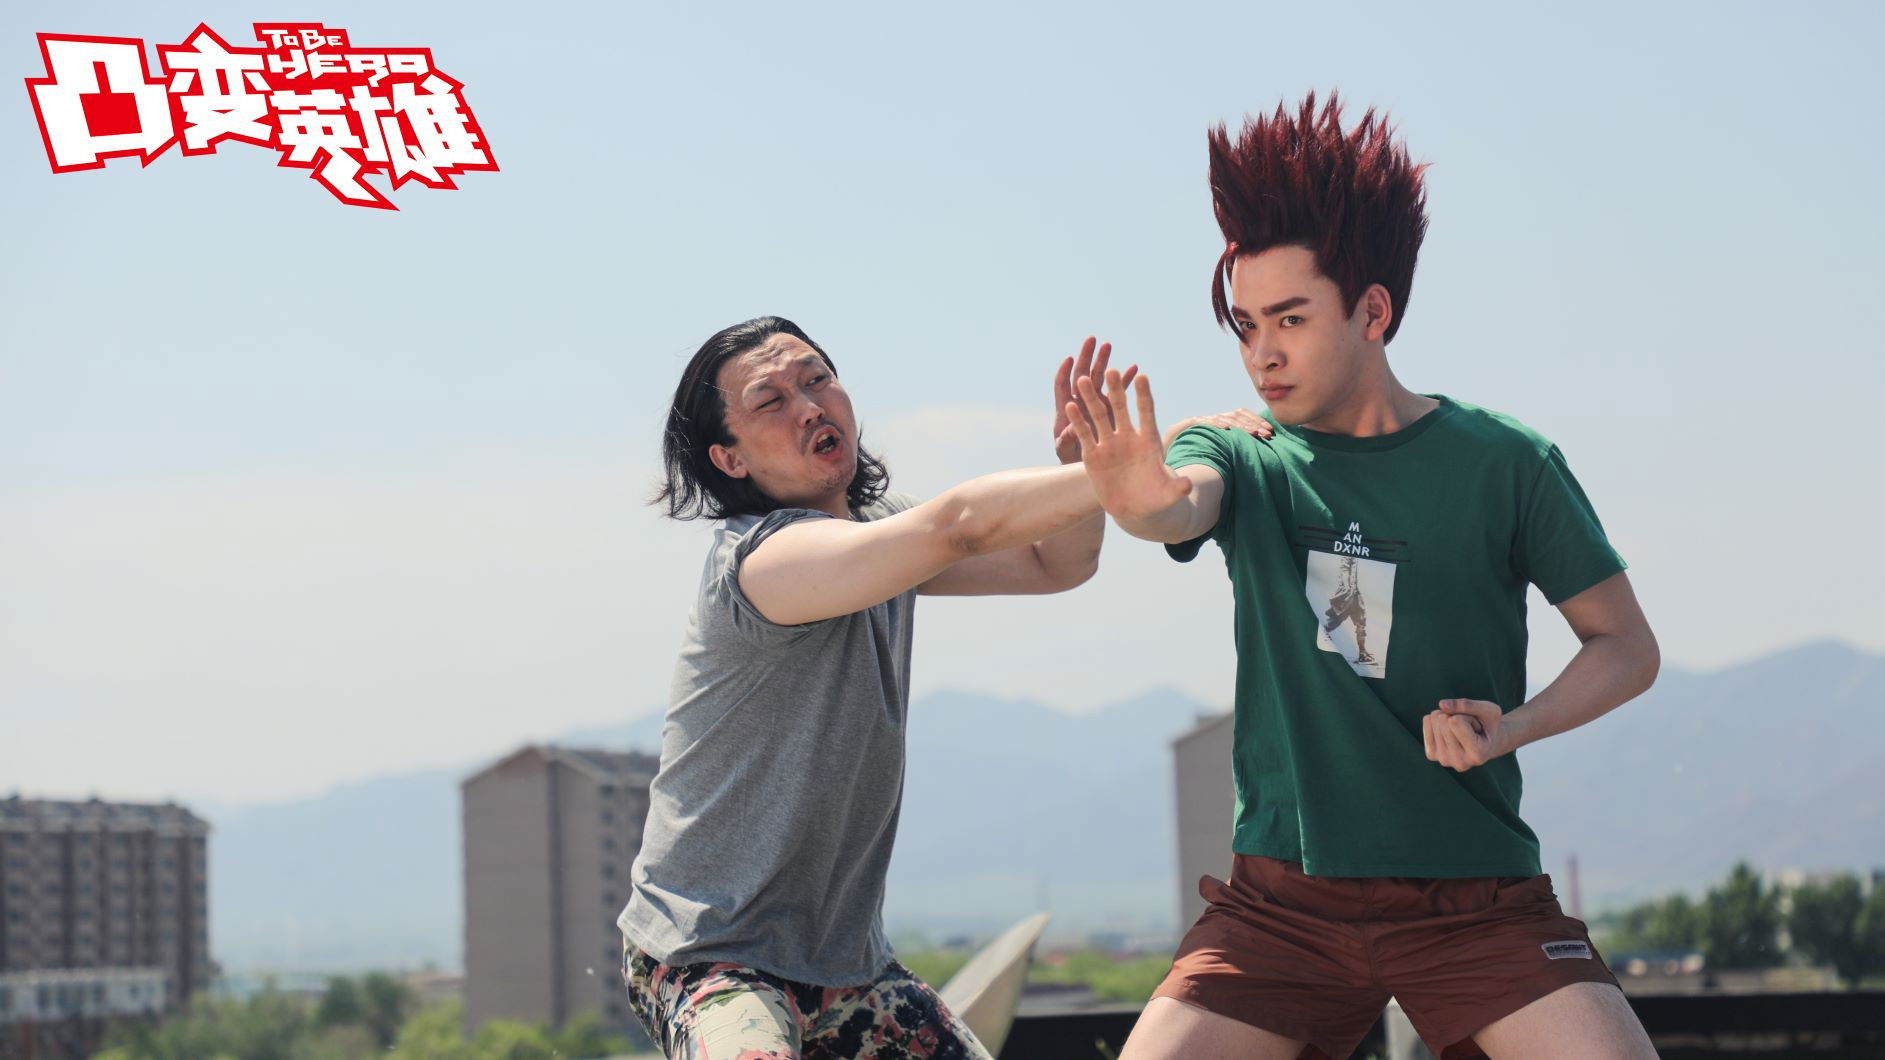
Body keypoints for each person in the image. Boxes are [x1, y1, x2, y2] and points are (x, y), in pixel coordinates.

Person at [1065, 94, 1662, 1059]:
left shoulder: (1505, 462)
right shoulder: (1240, 448)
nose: (1262, 353)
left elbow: (1625, 646)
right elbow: (1174, 506)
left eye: (1290, 319)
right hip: (1279, 908)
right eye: (1245, 325)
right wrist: (1133, 495)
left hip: (1474, 899)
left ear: (1372, 312)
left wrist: (1509, 727)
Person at [619, 316, 1258, 1059]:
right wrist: (1130, 467)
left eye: (817, 379)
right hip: (708, 956)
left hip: (845, 968)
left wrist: (1086, 473)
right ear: (728, 458)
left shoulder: (878, 533)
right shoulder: (760, 564)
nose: (810, 406)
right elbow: (958, 526)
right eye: (772, 401)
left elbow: (1053, 565)